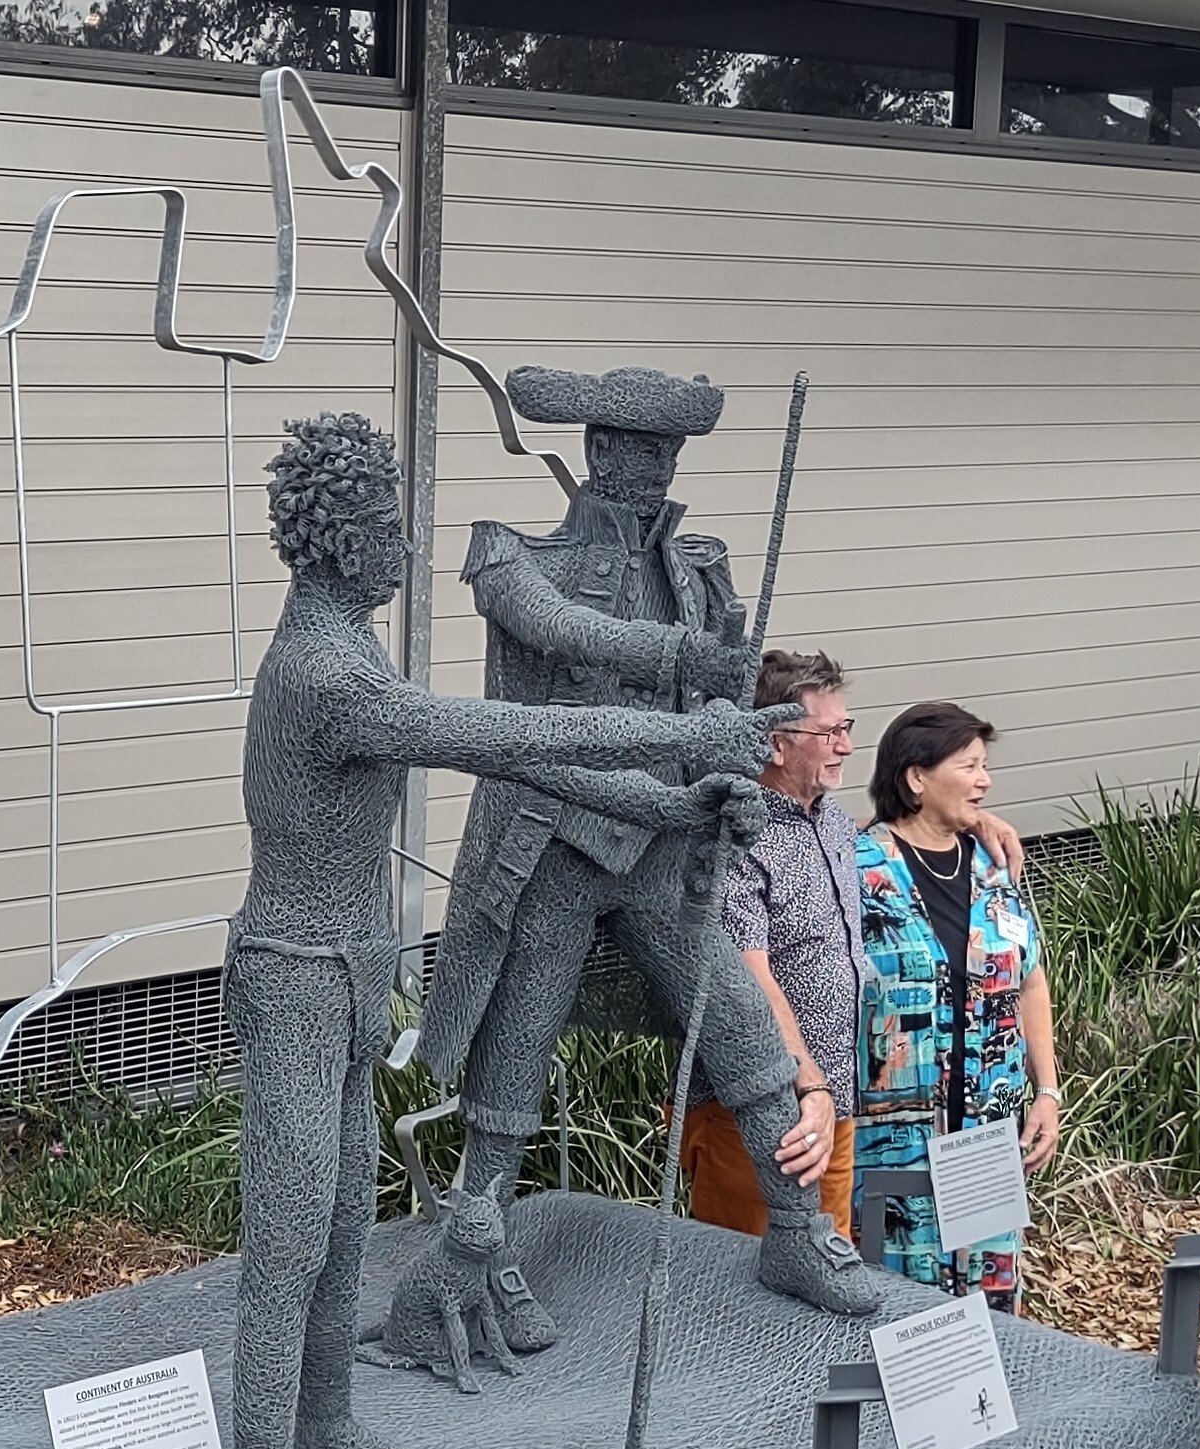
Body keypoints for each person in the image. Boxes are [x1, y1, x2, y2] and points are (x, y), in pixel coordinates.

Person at [225, 411, 780, 1449]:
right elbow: (498, 730)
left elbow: (527, 759)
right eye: (383, 525)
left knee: (335, 1221)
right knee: (288, 1238)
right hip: (291, 976)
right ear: (334, 539)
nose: (401, 546)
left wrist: (674, 803)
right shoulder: (327, 672)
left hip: (350, 969)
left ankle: (320, 1425)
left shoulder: (357, 648)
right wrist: (683, 727)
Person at [413, 364, 879, 1343]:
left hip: (664, 846)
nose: (651, 468)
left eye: (665, 451)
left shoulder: (699, 572)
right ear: (594, 448)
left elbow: (720, 718)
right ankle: (480, 1245)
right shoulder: (509, 559)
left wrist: (735, 788)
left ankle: (794, 1228)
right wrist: (684, 666)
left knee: (746, 1028)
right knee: (518, 1048)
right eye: (632, 448)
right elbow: (561, 632)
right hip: (555, 842)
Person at [683, 653, 1028, 1246]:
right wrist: (807, 1086)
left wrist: (972, 821)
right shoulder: (733, 835)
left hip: (833, 1107)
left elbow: (905, 841)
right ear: (776, 743)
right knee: (745, 1286)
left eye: (848, 729)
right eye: (830, 732)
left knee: (828, 1276)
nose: (846, 746)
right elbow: (748, 977)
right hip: (760, 1107)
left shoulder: (834, 827)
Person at [855, 701, 1061, 1311]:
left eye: (984, 766)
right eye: (968, 766)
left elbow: (1030, 980)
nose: (985, 779)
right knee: (896, 1314)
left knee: (988, 1309)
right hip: (893, 1139)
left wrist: (1046, 1091)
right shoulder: (854, 865)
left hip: (987, 1134)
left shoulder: (995, 867)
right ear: (916, 778)